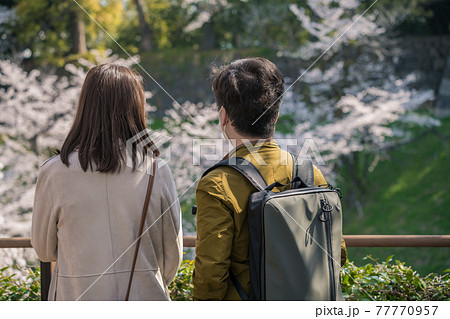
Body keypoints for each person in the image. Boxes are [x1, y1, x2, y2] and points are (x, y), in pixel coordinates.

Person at [193, 57, 347, 300]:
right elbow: (337, 253)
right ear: (275, 116)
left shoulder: (217, 184)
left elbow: (211, 274)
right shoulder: (309, 174)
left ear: (223, 116)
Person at [31, 63, 183, 301]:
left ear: (86, 106)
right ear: (136, 106)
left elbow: (44, 249)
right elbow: (171, 255)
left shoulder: (54, 172)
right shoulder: (156, 170)